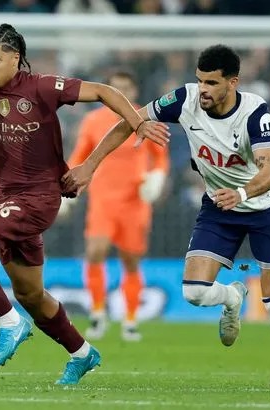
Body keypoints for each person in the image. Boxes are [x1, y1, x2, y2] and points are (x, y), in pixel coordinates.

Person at [0, 23, 169, 385]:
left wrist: (138, 123)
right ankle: (82, 353)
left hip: (39, 198)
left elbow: (103, 91)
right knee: (31, 294)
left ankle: (8, 321)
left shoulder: (42, 86)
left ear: (15, 59)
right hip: (7, 197)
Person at [63, 45, 270, 387]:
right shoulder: (184, 99)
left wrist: (243, 193)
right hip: (220, 208)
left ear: (232, 82)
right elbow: (128, 122)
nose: (203, 89)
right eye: (199, 80)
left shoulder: (254, 112)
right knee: (194, 292)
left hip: (265, 209)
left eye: (212, 83)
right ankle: (232, 296)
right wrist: (88, 165)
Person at [61, 70, 169, 341]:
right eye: (114, 89)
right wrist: (63, 189)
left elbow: (160, 156)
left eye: (125, 89)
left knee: (130, 261)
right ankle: (98, 314)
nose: (120, 94)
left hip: (134, 201)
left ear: (133, 92)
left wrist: (156, 177)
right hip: (103, 200)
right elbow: (79, 156)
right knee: (95, 251)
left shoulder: (144, 117)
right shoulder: (92, 122)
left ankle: (130, 320)